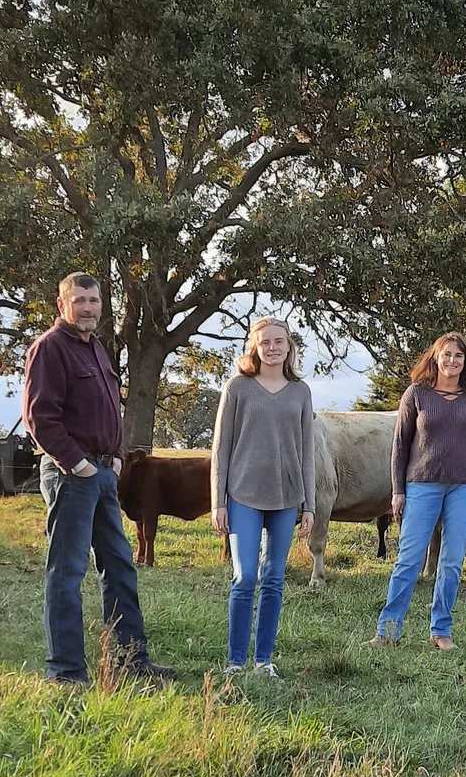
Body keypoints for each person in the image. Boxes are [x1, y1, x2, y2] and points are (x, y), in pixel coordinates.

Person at [22, 272, 176, 686]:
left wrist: (119, 459)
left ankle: (130, 660)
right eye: (80, 300)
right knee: (68, 572)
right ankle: (67, 672)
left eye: (94, 300)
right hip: (72, 475)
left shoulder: (97, 350)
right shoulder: (49, 349)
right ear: (62, 305)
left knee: (120, 567)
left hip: (105, 474)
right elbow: (40, 418)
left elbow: (107, 412)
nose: (88, 307)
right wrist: (78, 464)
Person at [372, 332, 466, 650]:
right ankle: (387, 630)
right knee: (409, 560)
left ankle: (441, 630)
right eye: (447, 355)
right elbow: (400, 444)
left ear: (465, 361)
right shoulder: (417, 394)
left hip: (465, 486)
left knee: (452, 560)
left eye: (459, 356)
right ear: (435, 358)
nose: (452, 361)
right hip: (421, 484)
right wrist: (398, 490)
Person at [210, 316, 316, 679]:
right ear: (253, 346)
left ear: (289, 347)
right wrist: (218, 501)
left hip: (287, 498)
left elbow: (307, 450)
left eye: (279, 341)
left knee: (274, 579)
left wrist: (310, 505)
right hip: (243, 494)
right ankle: (236, 663)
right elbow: (221, 447)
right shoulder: (237, 387)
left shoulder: (301, 391)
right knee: (245, 578)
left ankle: (263, 661)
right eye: (265, 342)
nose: (272, 348)